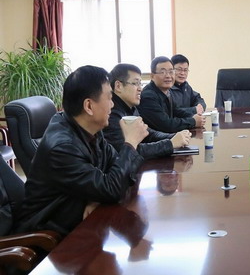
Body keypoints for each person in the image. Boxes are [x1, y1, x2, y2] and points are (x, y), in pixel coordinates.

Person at [14, 65, 148, 237]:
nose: (113, 104)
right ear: (89, 106)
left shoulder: (89, 129)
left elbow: (118, 169)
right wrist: (130, 143)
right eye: (109, 98)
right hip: (48, 236)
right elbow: (112, 188)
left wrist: (96, 197)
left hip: (77, 221)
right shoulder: (62, 147)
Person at [105, 63, 192, 159]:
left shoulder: (130, 107)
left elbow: (148, 134)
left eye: (140, 84)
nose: (140, 89)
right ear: (118, 86)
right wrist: (170, 144)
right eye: (135, 83)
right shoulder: (111, 114)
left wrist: (174, 136)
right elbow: (129, 152)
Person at [139, 56, 204, 133]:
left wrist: (195, 116)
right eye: (163, 72)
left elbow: (176, 111)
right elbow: (166, 125)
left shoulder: (166, 91)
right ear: (152, 76)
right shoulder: (148, 96)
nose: (168, 76)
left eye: (171, 72)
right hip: (155, 139)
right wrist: (193, 121)